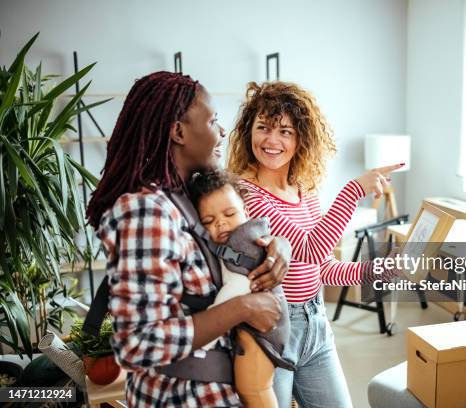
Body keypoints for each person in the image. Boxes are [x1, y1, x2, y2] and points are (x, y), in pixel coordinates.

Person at [86, 71, 292, 407]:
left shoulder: (186, 198)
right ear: (179, 132)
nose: (222, 131)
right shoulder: (146, 212)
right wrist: (242, 308)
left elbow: (224, 245)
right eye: (212, 121)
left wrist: (277, 246)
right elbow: (138, 343)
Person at [227, 81, 403, 408]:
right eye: (262, 128)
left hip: (316, 324)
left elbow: (318, 267)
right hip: (271, 334)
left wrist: (371, 271)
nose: (271, 140)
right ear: (248, 130)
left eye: (285, 132)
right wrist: (352, 191)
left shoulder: (303, 191)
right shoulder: (245, 194)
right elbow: (308, 248)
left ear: (301, 139)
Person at [186, 168, 294, 408]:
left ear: (246, 211)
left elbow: (238, 286)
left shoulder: (242, 240)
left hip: (264, 332)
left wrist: (207, 336)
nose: (221, 223)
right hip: (261, 326)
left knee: (254, 388)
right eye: (209, 221)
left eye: (229, 213)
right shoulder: (235, 238)